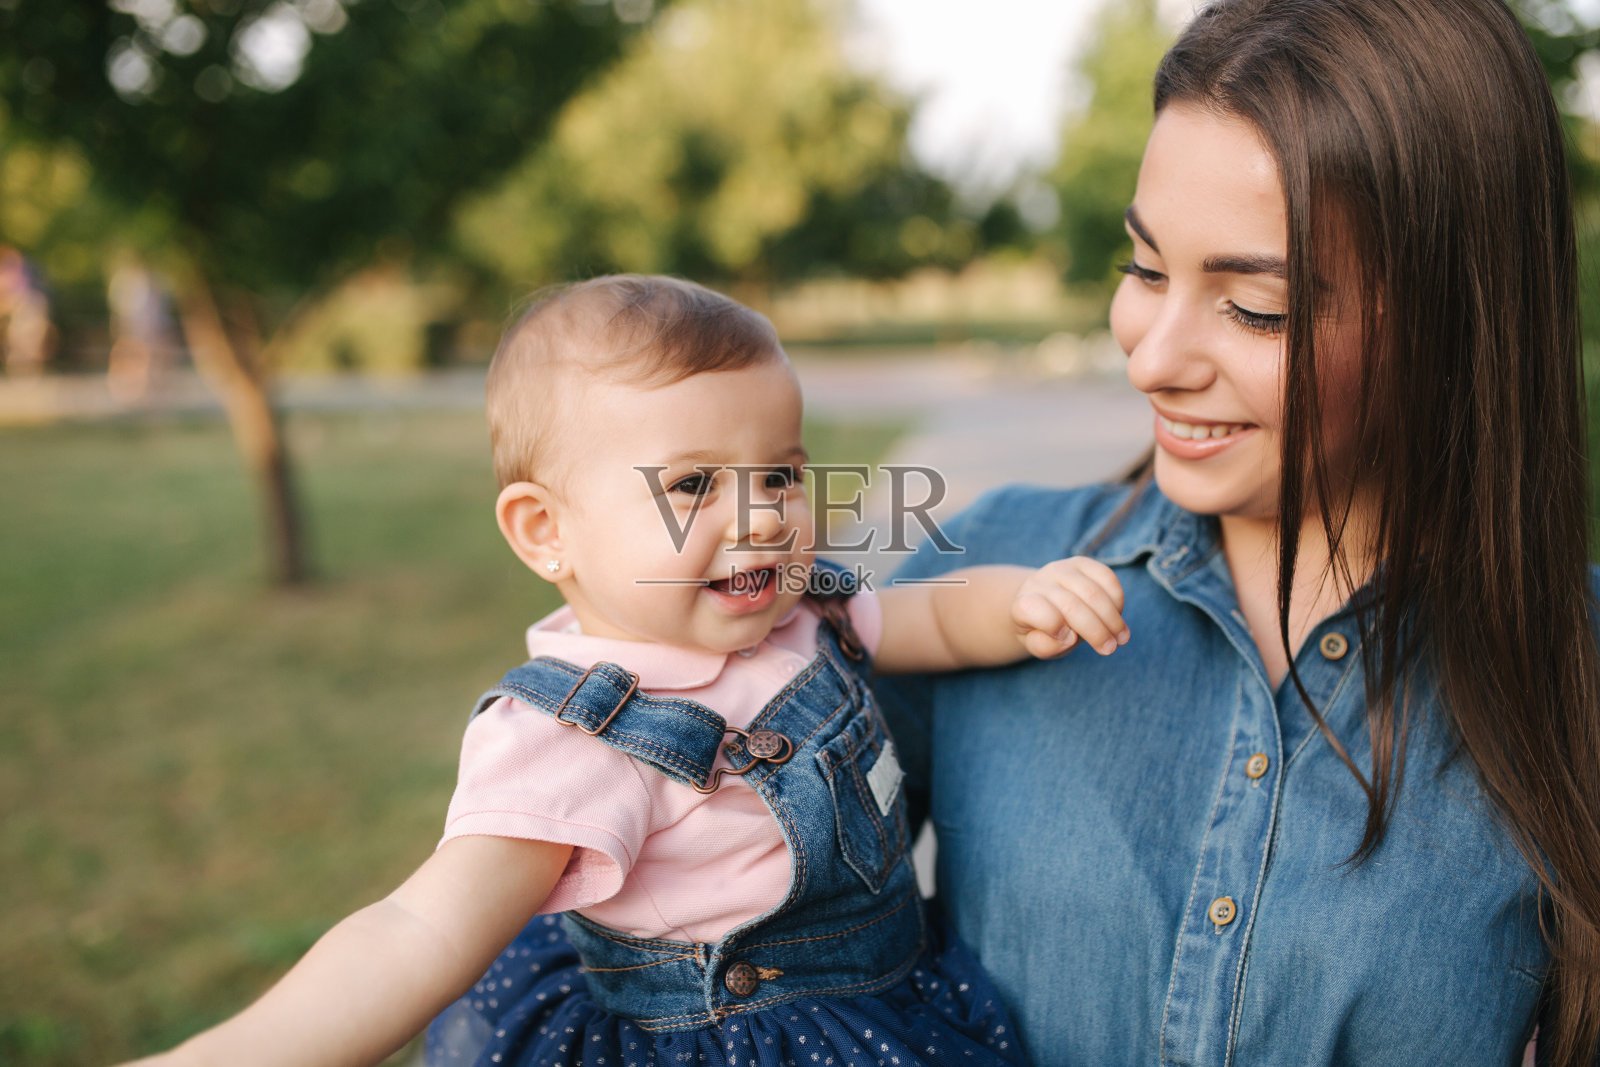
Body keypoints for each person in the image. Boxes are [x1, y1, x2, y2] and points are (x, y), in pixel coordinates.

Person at [126, 274, 1133, 1067]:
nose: (760, 515)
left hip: (880, 1005)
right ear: (544, 529)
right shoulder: (571, 742)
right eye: (692, 483)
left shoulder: (799, 611)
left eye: (780, 471)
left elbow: (924, 622)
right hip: (729, 1038)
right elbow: (414, 929)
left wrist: (1015, 601)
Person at [874, 1, 1600, 1064]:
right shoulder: (980, 575)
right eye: (1145, 269)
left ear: (1456, 314)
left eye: (1253, 307)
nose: (1152, 358)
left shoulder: (1575, 665)